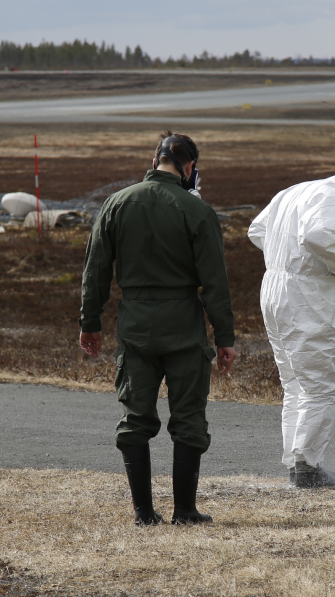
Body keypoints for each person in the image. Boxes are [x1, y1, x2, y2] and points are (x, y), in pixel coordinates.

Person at [79, 131, 237, 525]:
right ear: (189, 168)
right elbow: (215, 283)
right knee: (188, 418)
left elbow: (96, 271)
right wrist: (225, 338)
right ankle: (184, 509)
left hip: (135, 327)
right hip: (184, 326)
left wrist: (90, 322)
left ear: (154, 163)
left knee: (135, 417)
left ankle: (143, 513)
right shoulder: (198, 212)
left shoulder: (116, 204)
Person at [248, 169, 335, 488]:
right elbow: (318, 235)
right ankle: (308, 467)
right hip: (307, 294)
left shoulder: (294, 191)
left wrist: (283, 257)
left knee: (295, 381)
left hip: (274, 287)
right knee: (320, 384)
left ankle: (298, 463)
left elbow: (257, 230)